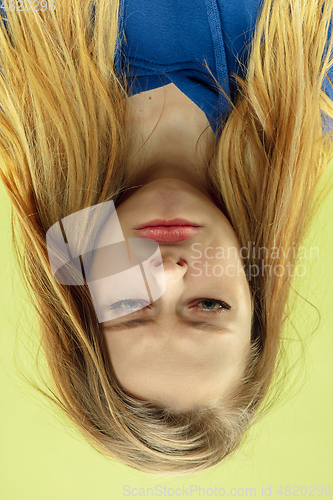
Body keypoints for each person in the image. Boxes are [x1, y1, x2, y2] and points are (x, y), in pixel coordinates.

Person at [0, 0, 332, 476]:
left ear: (82, 296)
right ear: (252, 286)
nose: (169, 273)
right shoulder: (319, 82)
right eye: (209, 306)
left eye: (130, 306)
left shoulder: (12, 80)